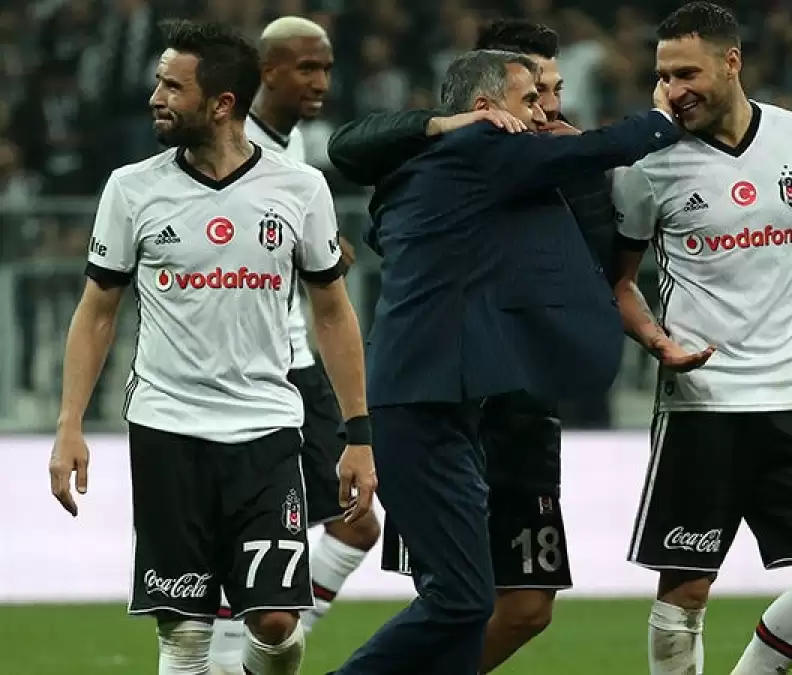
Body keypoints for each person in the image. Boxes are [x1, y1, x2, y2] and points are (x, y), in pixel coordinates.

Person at [326, 19, 710, 674]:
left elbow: (602, 273)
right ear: (485, 107)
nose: (546, 109)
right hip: (428, 396)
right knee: (458, 599)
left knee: (479, 601)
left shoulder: (493, 168)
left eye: (549, 92)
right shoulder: (479, 151)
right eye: (532, 95)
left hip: (475, 398)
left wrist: (649, 335)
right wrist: (660, 118)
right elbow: (352, 147)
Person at [47, 19, 377, 675]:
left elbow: (333, 312)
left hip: (266, 431)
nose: (156, 97)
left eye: (173, 87)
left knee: (277, 623)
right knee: (185, 634)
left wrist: (358, 433)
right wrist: (69, 423)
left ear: (222, 103)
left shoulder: (299, 188)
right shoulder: (131, 188)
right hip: (167, 431)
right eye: (159, 82)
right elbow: (97, 310)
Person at [611, 4, 792, 674]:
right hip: (702, 405)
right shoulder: (646, 162)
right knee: (685, 591)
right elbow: (617, 282)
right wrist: (658, 344)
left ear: (731, 62)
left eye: (687, 73)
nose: (673, 90)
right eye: (663, 76)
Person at [208, 17, 381, 674]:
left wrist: (323, 249)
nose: (320, 82)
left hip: (299, 363)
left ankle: (257, 653)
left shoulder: (296, 142)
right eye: (306, 68)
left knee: (357, 522)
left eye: (326, 68)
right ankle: (236, 653)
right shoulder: (232, 146)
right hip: (251, 372)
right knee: (248, 537)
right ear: (267, 72)